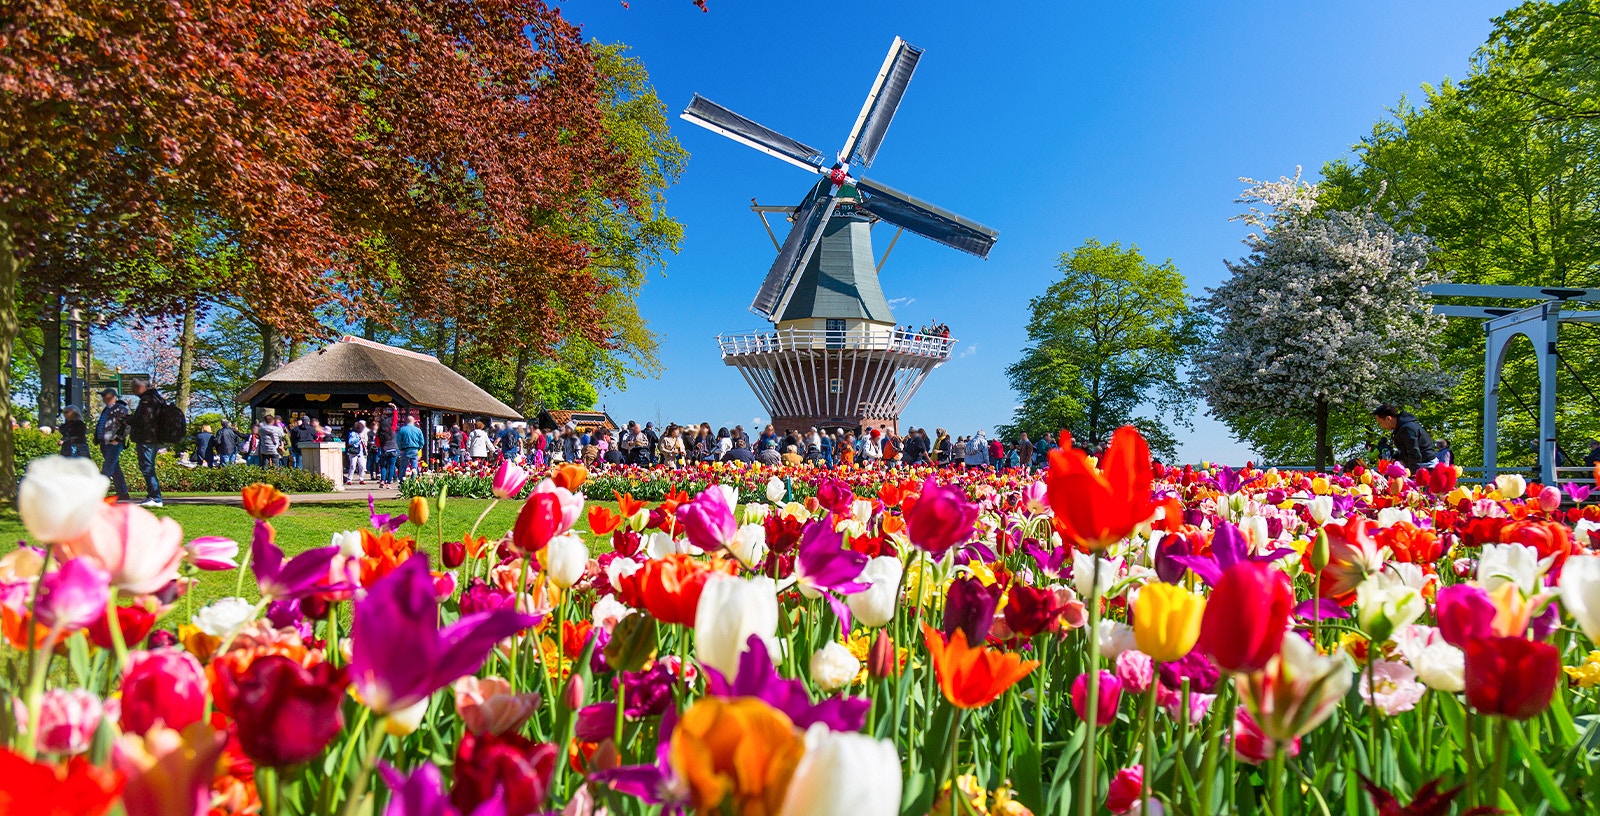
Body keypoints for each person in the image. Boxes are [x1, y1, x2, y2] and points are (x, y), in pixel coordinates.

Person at [126, 378, 167, 507]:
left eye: (134, 389)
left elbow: (143, 419)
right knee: (148, 467)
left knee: (147, 467)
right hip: (153, 438)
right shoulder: (156, 398)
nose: (133, 392)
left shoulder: (147, 400)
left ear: (141, 387)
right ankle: (153, 496)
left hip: (146, 438)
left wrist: (128, 419)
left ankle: (155, 497)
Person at [1373, 404, 1439, 471]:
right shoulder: (1402, 428)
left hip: (1425, 465)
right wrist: (1394, 458)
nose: (1381, 426)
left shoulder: (1407, 428)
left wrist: (1412, 473)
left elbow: (1414, 452)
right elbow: (1406, 450)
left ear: (1388, 419)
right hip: (1420, 464)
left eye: (1380, 423)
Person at [95, 388, 131, 501]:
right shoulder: (106, 409)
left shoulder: (120, 409)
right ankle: (123, 493)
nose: (103, 397)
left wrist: (119, 438)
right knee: (115, 468)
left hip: (114, 443)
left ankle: (98, 493)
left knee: (108, 468)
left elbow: (126, 426)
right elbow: (101, 424)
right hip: (104, 442)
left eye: (105, 395)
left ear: (112, 396)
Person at [396, 415, 424, 481]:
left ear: (406, 421)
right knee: (414, 466)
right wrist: (418, 448)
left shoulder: (402, 429)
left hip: (405, 449)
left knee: (403, 466)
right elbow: (422, 441)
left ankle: (402, 481)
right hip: (414, 449)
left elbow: (398, 440)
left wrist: (400, 448)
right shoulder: (418, 430)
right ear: (414, 421)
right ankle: (413, 480)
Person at [347, 420, 370, 484]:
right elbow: (350, 442)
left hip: (360, 452)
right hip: (353, 452)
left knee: (362, 466)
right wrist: (358, 438)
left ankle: (361, 478)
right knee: (352, 466)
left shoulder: (362, 434)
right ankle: (349, 479)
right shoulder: (352, 434)